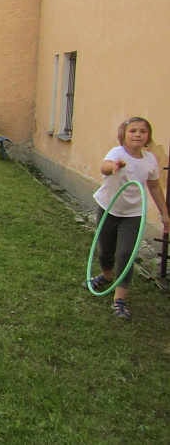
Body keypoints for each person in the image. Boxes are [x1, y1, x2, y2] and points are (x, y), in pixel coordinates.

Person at [84, 117, 169, 320]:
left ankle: (120, 299)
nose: (138, 134)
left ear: (148, 136)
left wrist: (164, 213)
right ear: (123, 134)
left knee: (126, 254)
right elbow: (104, 167)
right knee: (105, 250)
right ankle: (106, 276)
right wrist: (114, 167)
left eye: (143, 131)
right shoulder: (117, 153)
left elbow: (154, 185)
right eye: (133, 131)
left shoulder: (150, 159)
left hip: (134, 213)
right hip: (109, 208)